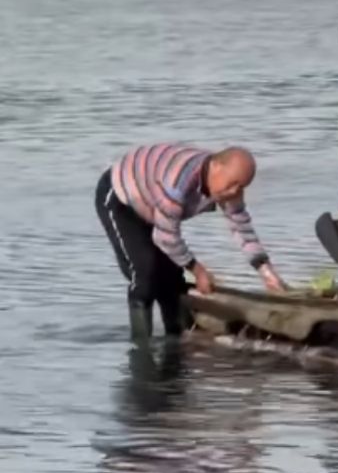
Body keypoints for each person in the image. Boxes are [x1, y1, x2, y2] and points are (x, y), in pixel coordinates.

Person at [96, 143, 285, 341]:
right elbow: (166, 236)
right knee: (146, 272)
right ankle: (141, 346)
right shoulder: (178, 182)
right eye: (232, 184)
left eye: (242, 187)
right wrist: (198, 270)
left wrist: (266, 272)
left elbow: (241, 227)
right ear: (215, 166)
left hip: (153, 203)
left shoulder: (227, 187)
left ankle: (175, 340)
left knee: (173, 279)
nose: (234, 192)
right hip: (121, 196)